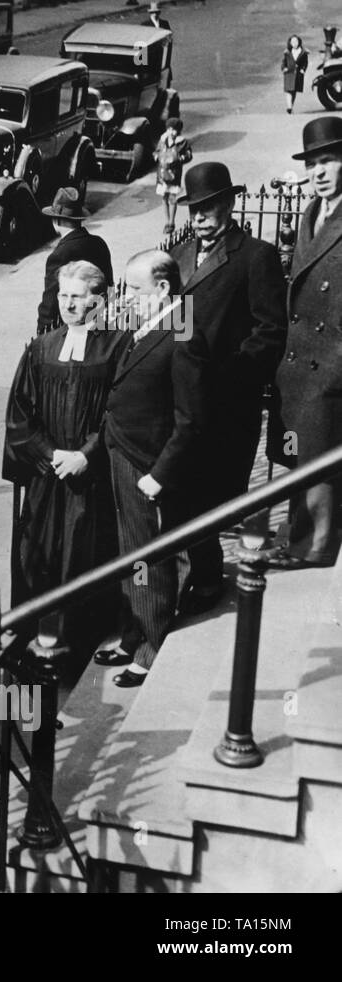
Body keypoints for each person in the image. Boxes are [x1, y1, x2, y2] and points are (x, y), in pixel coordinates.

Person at [169, 161, 287, 610]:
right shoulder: (180, 257)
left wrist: (227, 375)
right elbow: (178, 325)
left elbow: (270, 331)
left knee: (211, 493)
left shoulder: (255, 256)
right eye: (193, 209)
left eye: (209, 207)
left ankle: (207, 579)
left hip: (225, 403)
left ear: (230, 203)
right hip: (182, 397)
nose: (199, 218)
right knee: (180, 490)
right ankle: (189, 574)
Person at [5, 260, 126, 655]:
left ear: (99, 298)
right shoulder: (42, 348)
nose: (68, 305)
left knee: (86, 557)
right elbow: (20, 413)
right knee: (38, 557)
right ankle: (38, 637)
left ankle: (79, 644)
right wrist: (49, 453)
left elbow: (122, 412)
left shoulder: (118, 346)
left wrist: (87, 455)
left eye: (77, 296)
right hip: (48, 476)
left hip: (90, 479)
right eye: (63, 295)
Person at [99, 250, 206, 687]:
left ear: (163, 289)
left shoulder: (184, 335)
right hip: (124, 451)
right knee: (130, 553)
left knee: (149, 558)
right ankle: (132, 633)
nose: (128, 299)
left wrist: (160, 474)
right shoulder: (157, 324)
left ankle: (150, 646)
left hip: (146, 464)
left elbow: (191, 418)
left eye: (136, 291)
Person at [273, 117, 342, 567]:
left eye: (328, 161)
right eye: (312, 163)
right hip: (298, 361)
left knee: (317, 459)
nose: (318, 172)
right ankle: (299, 531)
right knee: (299, 454)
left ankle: (314, 546)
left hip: (328, 365)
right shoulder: (312, 213)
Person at [36, 188, 113, 335]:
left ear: (56, 220)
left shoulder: (59, 254)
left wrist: (42, 331)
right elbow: (109, 286)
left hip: (71, 324)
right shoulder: (99, 243)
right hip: (98, 320)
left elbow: (50, 302)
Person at [154, 118, 191, 235]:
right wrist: (155, 155)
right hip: (162, 173)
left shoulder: (182, 142)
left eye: (174, 130)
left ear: (178, 131)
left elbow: (188, 155)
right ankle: (166, 220)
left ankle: (171, 222)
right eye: (170, 129)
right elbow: (157, 150)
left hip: (174, 174)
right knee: (164, 198)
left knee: (172, 198)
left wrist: (180, 159)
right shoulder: (163, 139)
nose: (172, 132)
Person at [284, 35, 309, 114]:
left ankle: (291, 106)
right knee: (288, 90)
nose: (294, 43)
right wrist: (284, 68)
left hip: (298, 73)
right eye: (293, 42)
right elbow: (284, 61)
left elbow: (305, 63)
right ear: (290, 43)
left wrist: (303, 70)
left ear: (299, 42)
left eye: (296, 41)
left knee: (294, 91)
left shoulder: (303, 52)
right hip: (289, 73)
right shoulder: (287, 52)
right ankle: (289, 107)